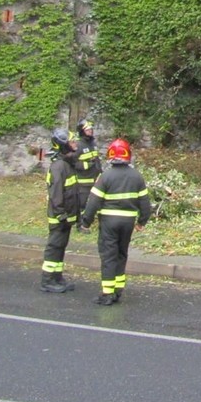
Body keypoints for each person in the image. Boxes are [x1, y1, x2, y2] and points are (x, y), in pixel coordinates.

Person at [79, 138, 151, 306]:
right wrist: (142, 221)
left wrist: (86, 222)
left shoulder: (105, 176)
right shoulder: (137, 176)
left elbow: (93, 202)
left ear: (110, 155)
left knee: (108, 256)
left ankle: (107, 293)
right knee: (121, 254)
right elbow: (145, 204)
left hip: (109, 222)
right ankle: (118, 290)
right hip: (128, 223)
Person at [40, 128, 79, 293]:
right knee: (54, 246)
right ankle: (47, 280)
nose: (75, 144)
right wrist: (61, 213)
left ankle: (57, 277)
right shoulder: (58, 167)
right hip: (59, 217)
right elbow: (56, 194)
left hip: (66, 216)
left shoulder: (66, 164)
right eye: (72, 142)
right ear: (64, 145)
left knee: (61, 247)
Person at [73, 118, 103, 229]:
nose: (90, 131)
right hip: (83, 181)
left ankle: (97, 223)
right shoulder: (78, 145)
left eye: (91, 129)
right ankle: (80, 225)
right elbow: (73, 162)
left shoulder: (92, 143)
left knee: (97, 201)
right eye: (87, 130)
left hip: (94, 179)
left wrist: (100, 171)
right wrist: (87, 165)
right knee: (82, 204)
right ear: (82, 131)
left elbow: (96, 159)